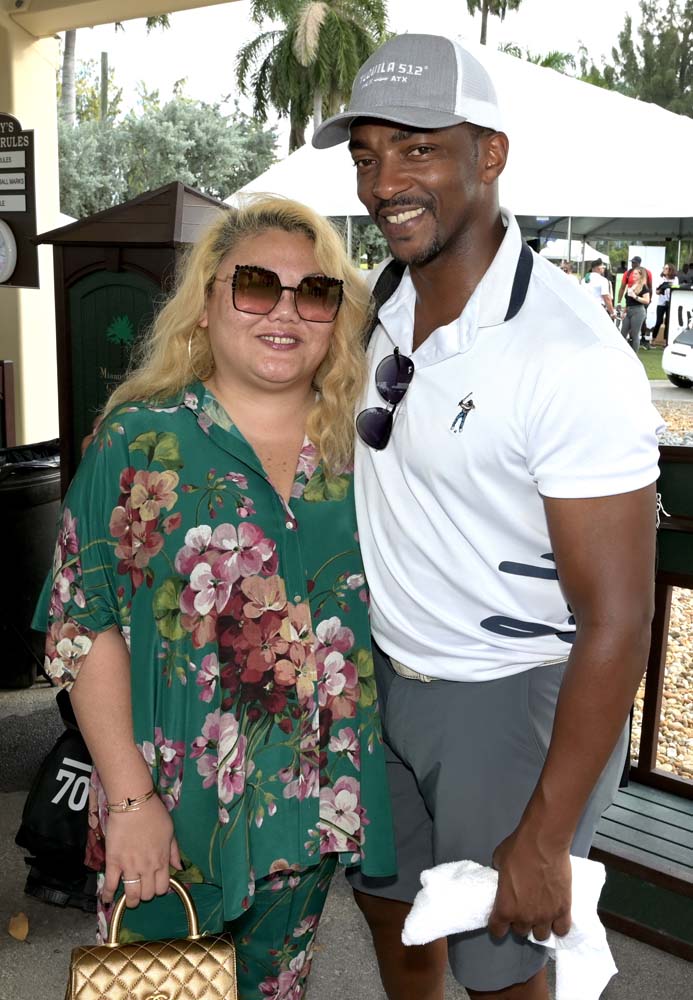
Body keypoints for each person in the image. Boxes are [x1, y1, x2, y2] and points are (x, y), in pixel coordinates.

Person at [312, 33, 662, 1000]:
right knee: (394, 914)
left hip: (504, 695)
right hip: (383, 672)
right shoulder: (378, 299)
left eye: (418, 148)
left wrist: (546, 835)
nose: (385, 181)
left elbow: (621, 618)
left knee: (500, 958)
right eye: (367, 153)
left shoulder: (568, 355)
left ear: (490, 153)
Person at [35, 195, 396, 999]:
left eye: (314, 293)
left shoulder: (364, 454)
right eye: (256, 286)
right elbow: (79, 626)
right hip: (167, 810)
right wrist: (128, 800)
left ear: (336, 318)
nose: (286, 312)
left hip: (310, 814)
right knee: (161, 988)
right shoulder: (139, 441)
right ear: (205, 304)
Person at [621, 266, 652, 353]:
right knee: (623, 333)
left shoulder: (643, 287)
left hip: (638, 311)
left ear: (640, 275)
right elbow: (628, 300)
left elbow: (647, 300)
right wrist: (625, 310)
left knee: (634, 335)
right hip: (629, 310)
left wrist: (635, 297)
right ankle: (623, 352)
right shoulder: (632, 285)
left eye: (635, 274)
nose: (633, 275)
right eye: (633, 273)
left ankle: (634, 355)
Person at [652, 263, 678, 344]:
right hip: (661, 303)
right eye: (664, 268)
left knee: (668, 322)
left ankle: (665, 341)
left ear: (671, 270)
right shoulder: (661, 279)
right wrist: (662, 288)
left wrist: (669, 286)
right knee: (659, 321)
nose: (664, 269)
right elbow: (657, 292)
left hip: (671, 303)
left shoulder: (675, 279)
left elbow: (676, 288)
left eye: (666, 268)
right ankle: (653, 339)